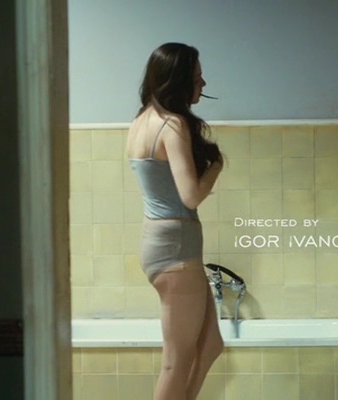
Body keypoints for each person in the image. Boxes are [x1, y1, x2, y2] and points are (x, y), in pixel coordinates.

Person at [125, 42, 225, 400]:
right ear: (179, 80)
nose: (203, 84)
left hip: (167, 247)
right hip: (175, 251)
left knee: (210, 345)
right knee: (176, 362)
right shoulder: (172, 124)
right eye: (197, 78)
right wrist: (216, 166)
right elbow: (191, 196)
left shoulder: (141, 120)